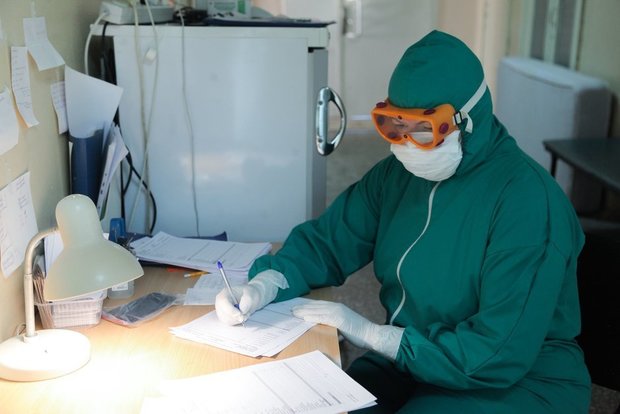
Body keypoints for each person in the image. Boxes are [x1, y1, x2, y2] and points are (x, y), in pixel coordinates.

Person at [215, 30, 591, 413]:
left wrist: (375, 336)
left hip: (513, 380)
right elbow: (328, 242)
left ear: (467, 121)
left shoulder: (528, 204)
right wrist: (267, 282)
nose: (407, 144)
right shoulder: (395, 177)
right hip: (410, 359)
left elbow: (499, 350)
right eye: (395, 125)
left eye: (423, 130)